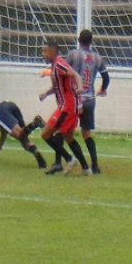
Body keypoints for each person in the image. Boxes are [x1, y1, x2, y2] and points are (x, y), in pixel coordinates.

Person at [39, 38, 92, 176]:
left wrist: (80, 87)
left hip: (68, 107)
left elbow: (75, 75)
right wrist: (46, 93)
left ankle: (68, 159)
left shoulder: (60, 64)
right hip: (68, 106)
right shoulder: (54, 67)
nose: (42, 54)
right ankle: (86, 169)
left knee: (45, 134)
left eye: (45, 51)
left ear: (53, 51)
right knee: (68, 138)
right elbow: (57, 87)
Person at [59, 29, 109, 174]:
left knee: (64, 130)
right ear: (91, 42)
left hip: (75, 100)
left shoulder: (73, 54)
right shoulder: (97, 57)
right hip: (90, 100)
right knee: (86, 133)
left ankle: (62, 161)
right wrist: (103, 89)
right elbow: (106, 78)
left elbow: (62, 71)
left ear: (79, 40)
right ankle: (95, 164)